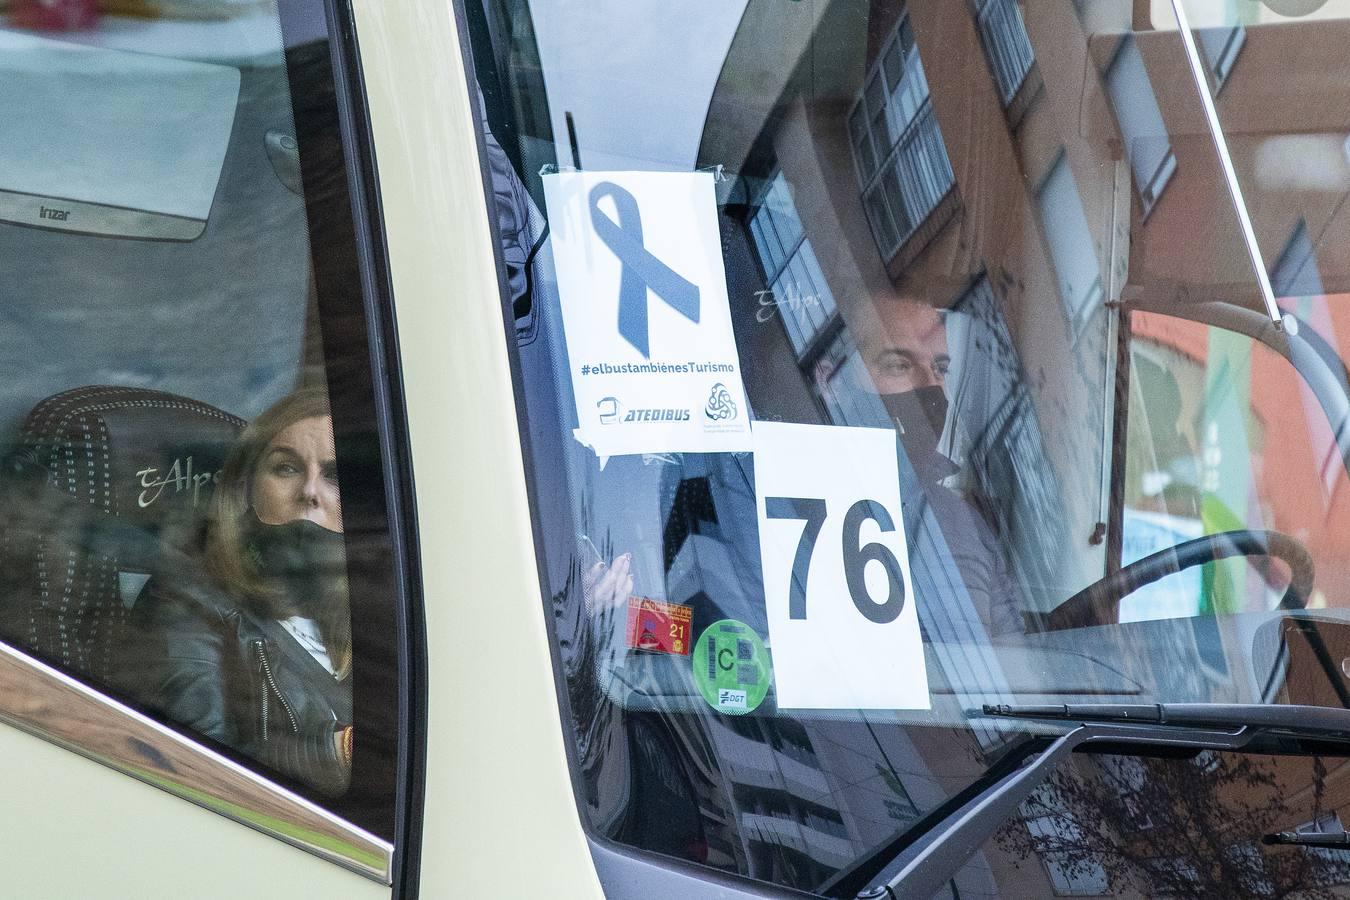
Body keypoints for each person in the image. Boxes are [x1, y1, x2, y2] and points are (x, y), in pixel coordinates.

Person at [131, 387, 353, 796]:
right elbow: (192, 766)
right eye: (286, 469)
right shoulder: (185, 600)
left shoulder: (376, 605)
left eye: (334, 475)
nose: (310, 491)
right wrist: (334, 752)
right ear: (246, 486)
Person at [854, 296, 1024, 638]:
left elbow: (1015, 666)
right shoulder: (786, 499)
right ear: (830, 378)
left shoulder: (961, 521)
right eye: (900, 365)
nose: (929, 387)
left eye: (940, 369)